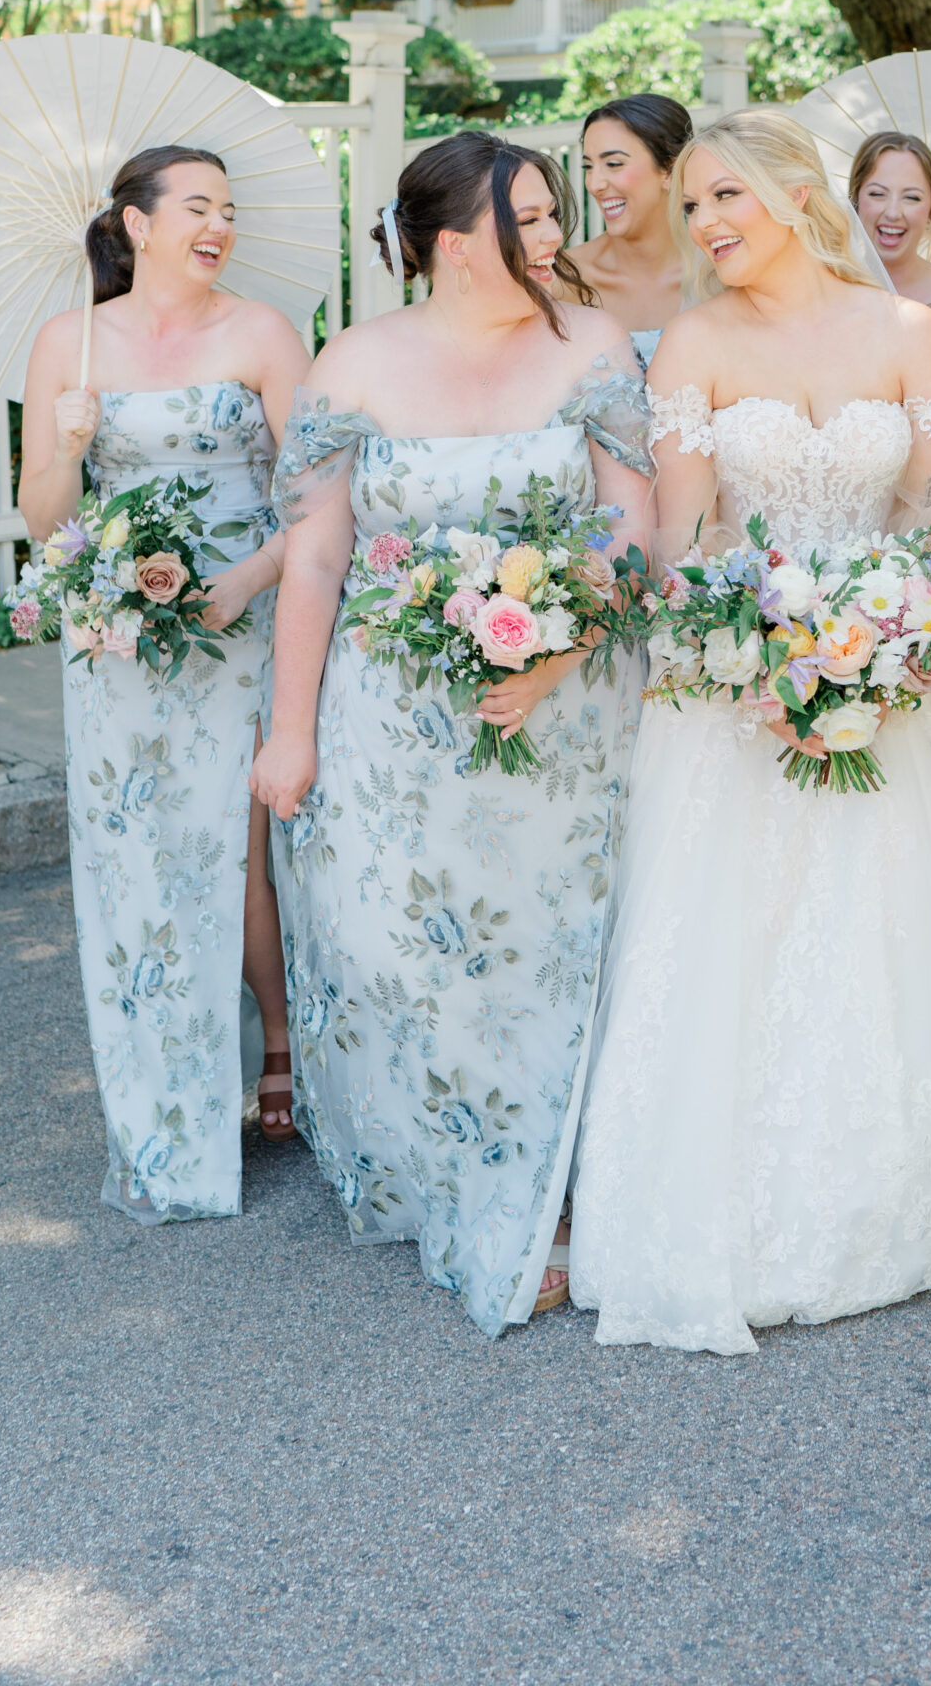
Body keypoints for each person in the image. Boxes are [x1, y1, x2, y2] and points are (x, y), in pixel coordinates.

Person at [567, 109, 931, 1355]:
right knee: (738, 934)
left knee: (886, 926)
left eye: (728, 195)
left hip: (900, 673)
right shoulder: (688, 341)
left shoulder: (907, 332)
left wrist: (902, 645)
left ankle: (897, 1174)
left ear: (795, 195)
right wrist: (763, 650)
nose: (709, 224)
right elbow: (682, 534)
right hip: (738, 683)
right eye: (694, 206)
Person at [250, 133, 653, 1334]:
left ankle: (550, 1190)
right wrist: (290, 731)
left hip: (568, 704)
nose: (554, 235)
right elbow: (317, 554)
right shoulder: (356, 362)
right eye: (528, 215)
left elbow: (633, 524)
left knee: (549, 941)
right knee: (402, 941)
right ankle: (456, 1159)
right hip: (391, 711)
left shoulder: (593, 346)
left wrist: (561, 646)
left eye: (552, 210)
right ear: (451, 239)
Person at [18, 144, 310, 1218]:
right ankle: (168, 1100)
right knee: (137, 859)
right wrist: (66, 444)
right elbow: (47, 521)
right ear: (136, 224)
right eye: (197, 206)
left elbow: (322, 496)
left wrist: (247, 580)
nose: (218, 224)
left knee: (242, 852)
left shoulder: (263, 333)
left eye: (227, 209)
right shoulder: (68, 340)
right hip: (120, 640)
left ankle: (281, 1044)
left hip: (244, 617)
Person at [570, 93, 693, 366]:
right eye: (588, 166)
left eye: (613, 164)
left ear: (670, 171)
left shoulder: (717, 277)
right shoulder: (566, 278)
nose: (595, 184)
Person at [848, 130, 931, 304]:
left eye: (911, 197)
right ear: (855, 199)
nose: (893, 213)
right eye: (878, 193)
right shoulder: (827, 286)